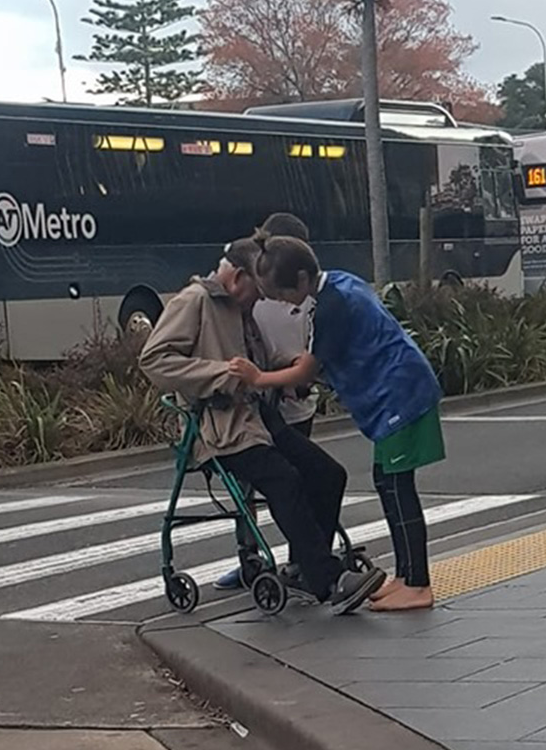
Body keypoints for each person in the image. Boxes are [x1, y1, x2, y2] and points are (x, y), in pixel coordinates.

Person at [139, 237, 385, 615]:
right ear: (238, 277)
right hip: (220, 427)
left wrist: (298, 369)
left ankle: (307, 565)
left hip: (259, 418)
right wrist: (221, 374)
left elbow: (262, 360)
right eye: (258, 292)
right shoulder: (194, 302)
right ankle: (327, 579)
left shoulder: (239, 307)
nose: (260, 301)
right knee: (284, 480)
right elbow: (154, 361)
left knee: (328, 473)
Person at [229, 234, 445, 612]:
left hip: (401, 395)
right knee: (388, 483)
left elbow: (308, 368)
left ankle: (419, 585)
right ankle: (407, 577)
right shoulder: (339, 284)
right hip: (397, 394)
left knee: (396, 488)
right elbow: (320, 362)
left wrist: (257, 377)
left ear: (300, 279)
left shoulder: (332, 306)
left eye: (280, 294)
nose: (280, 302)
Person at [215, 212, 318, 591]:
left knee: (297, 480)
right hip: (258, 403)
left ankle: (299, 559)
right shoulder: (250, 293)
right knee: (249, 485)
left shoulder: (306, 297)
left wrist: (298, 377)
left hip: (295, 399)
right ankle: (250, 558)